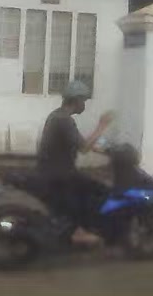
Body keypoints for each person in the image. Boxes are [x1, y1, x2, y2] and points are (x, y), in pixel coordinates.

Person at [35, 81, 114, 247]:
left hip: (51, 170)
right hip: (59, 173)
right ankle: (78, 232)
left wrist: (104, 151)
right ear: (76, 100)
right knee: (100, 190)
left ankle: (81, 228)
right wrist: (102, 126)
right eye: (83, 100)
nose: (84, 104)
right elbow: (84, 148)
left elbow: (78, 142)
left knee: (90, 187)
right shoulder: (64, 120)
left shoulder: (57, 116)